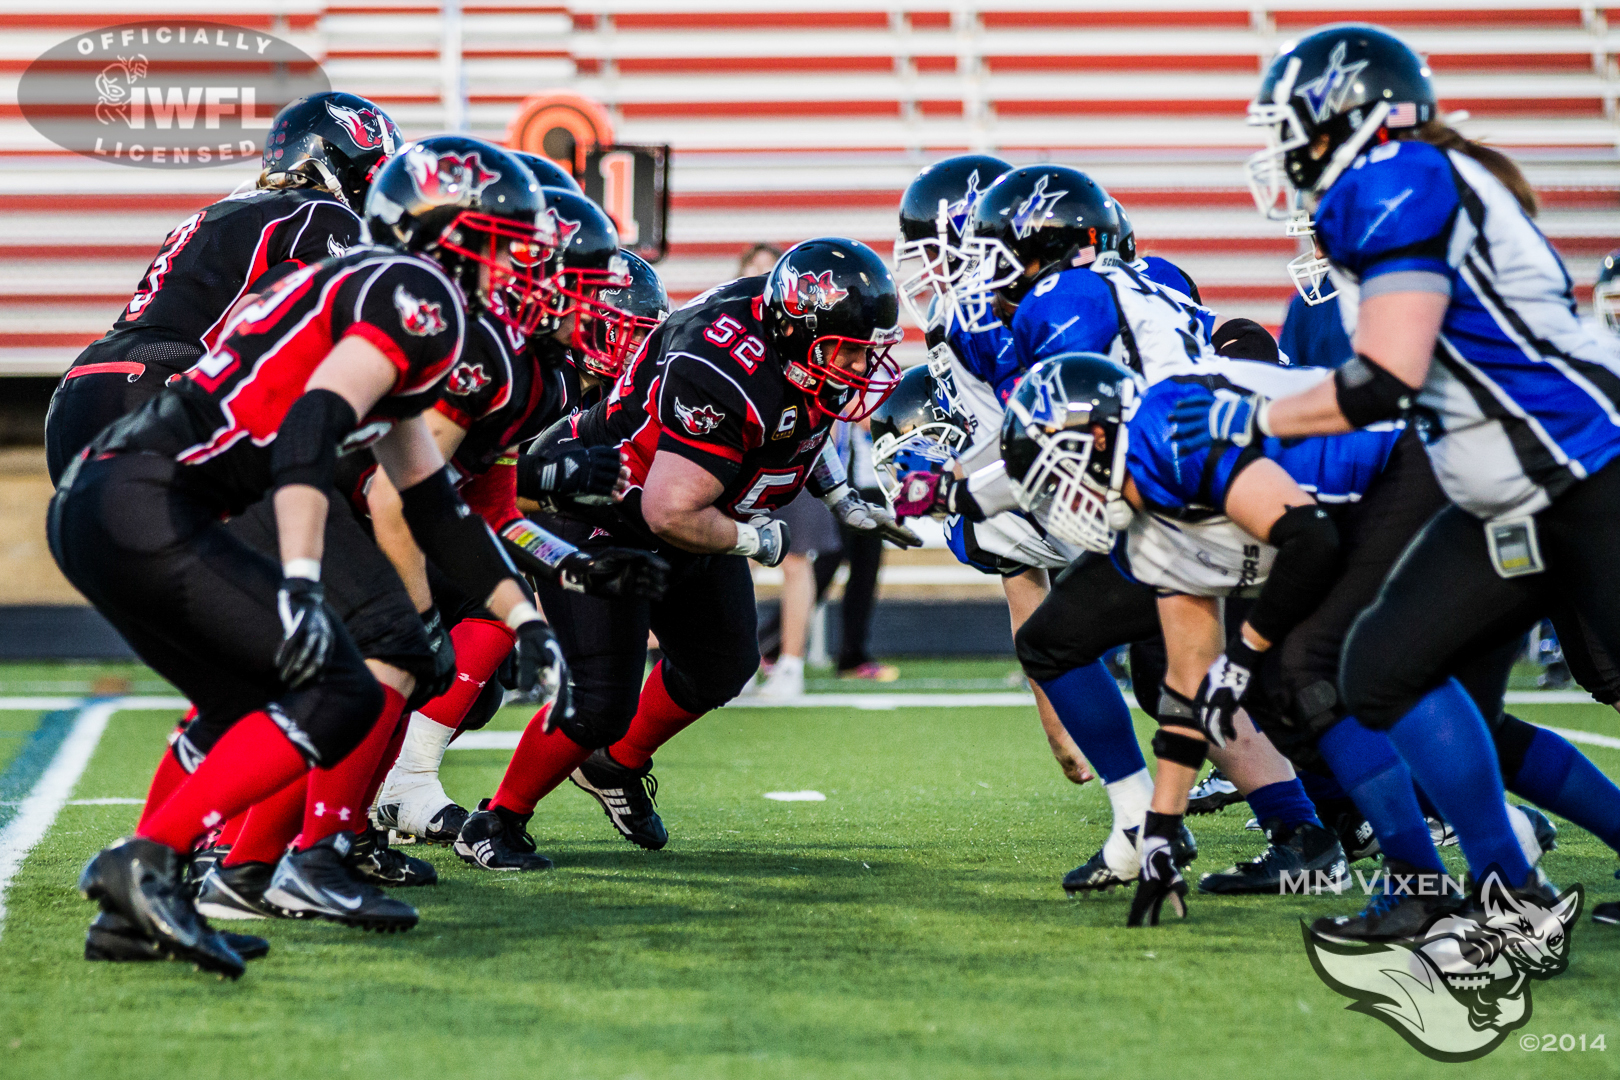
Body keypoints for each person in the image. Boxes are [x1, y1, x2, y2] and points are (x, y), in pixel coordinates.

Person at [52, 136, 567, 975]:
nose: (521, 267)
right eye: (505, 243)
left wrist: (521, 618)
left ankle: (140, 902)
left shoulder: (379, 291)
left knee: (243, 702)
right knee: (342, 681)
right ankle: (154, 863)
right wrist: (296, 577)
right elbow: (308, 426)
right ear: (448, 236)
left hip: (121, 494)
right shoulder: (415, 293)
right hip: (153, 500)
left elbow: (432, 501)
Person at [1176, 22, 1618, 924]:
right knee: (1382, 669)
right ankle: (1500, 890)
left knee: (1378, 668)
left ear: (1351, 112)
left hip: (1583, 469)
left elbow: (1384, 378)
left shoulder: (1400, 177)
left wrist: (1248, 412)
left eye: (1291, 123)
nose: (1284, 148)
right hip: (1507, 488)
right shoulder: (1413, 178)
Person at [450, 238, 921, 864]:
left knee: (722, 663)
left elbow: (809, 415)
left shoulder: (792, 338)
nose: (860, 368)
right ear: (802, 332)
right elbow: (667, 510)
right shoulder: (722, 366)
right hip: (604, 508)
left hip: (690, 504)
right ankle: (497, 820)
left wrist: (839, 496)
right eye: (847, 351)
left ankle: (613, 768)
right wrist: (758, 539)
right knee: (598, 699)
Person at [44, 92, 400, 485]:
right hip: (158, 393)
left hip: (81, 390)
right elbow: (255, 317)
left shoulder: (228, 209)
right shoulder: (323, 212)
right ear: (347, 164)